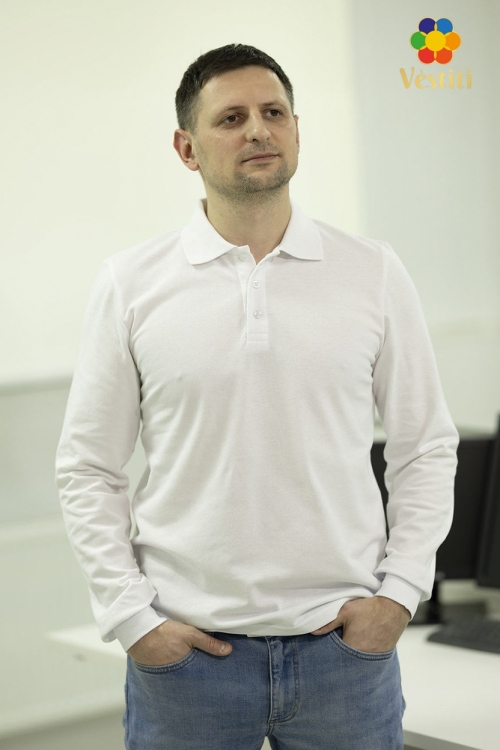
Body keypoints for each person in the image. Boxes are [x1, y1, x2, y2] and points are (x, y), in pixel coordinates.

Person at [55, 43, 459, 749]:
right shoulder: (131, 284)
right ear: (187, 148)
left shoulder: (372, 272)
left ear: (297, 130)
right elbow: (88, 467)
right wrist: (134, 620)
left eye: (273, 113)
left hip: (346, 654)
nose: (257, 130)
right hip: (187, 661)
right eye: (231, 118)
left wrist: (399, 595)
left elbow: (424, 446)